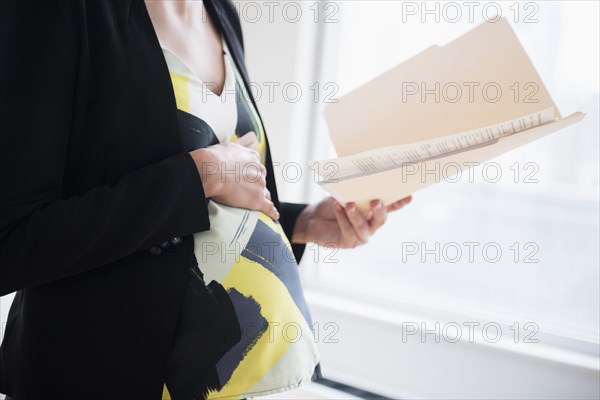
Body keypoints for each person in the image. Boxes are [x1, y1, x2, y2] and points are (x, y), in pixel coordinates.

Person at [0, 1, 412, 399]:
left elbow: (206, 213)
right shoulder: (52, 9)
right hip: (99, 374)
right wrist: (201, 176)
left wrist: (302, 223)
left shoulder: (220, 11)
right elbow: (13, 241)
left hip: (235, 381)